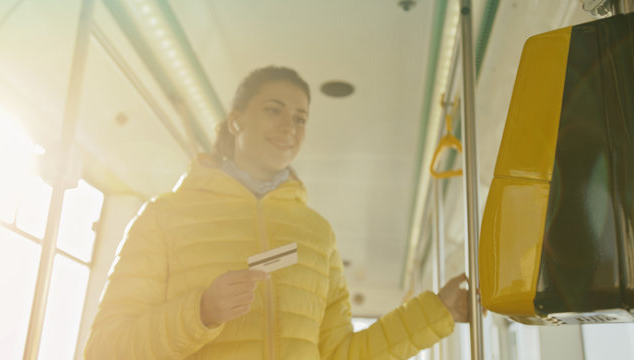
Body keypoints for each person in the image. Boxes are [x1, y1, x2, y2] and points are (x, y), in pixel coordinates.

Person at [84, 65, 469, 359]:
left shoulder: (317, 234)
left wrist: (438, 312)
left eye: (300, 118)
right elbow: (105, 348)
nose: (289, 126)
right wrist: (199, 312)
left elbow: (340, 353)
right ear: (236, 120)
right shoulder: (164, 217)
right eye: (274, 110)